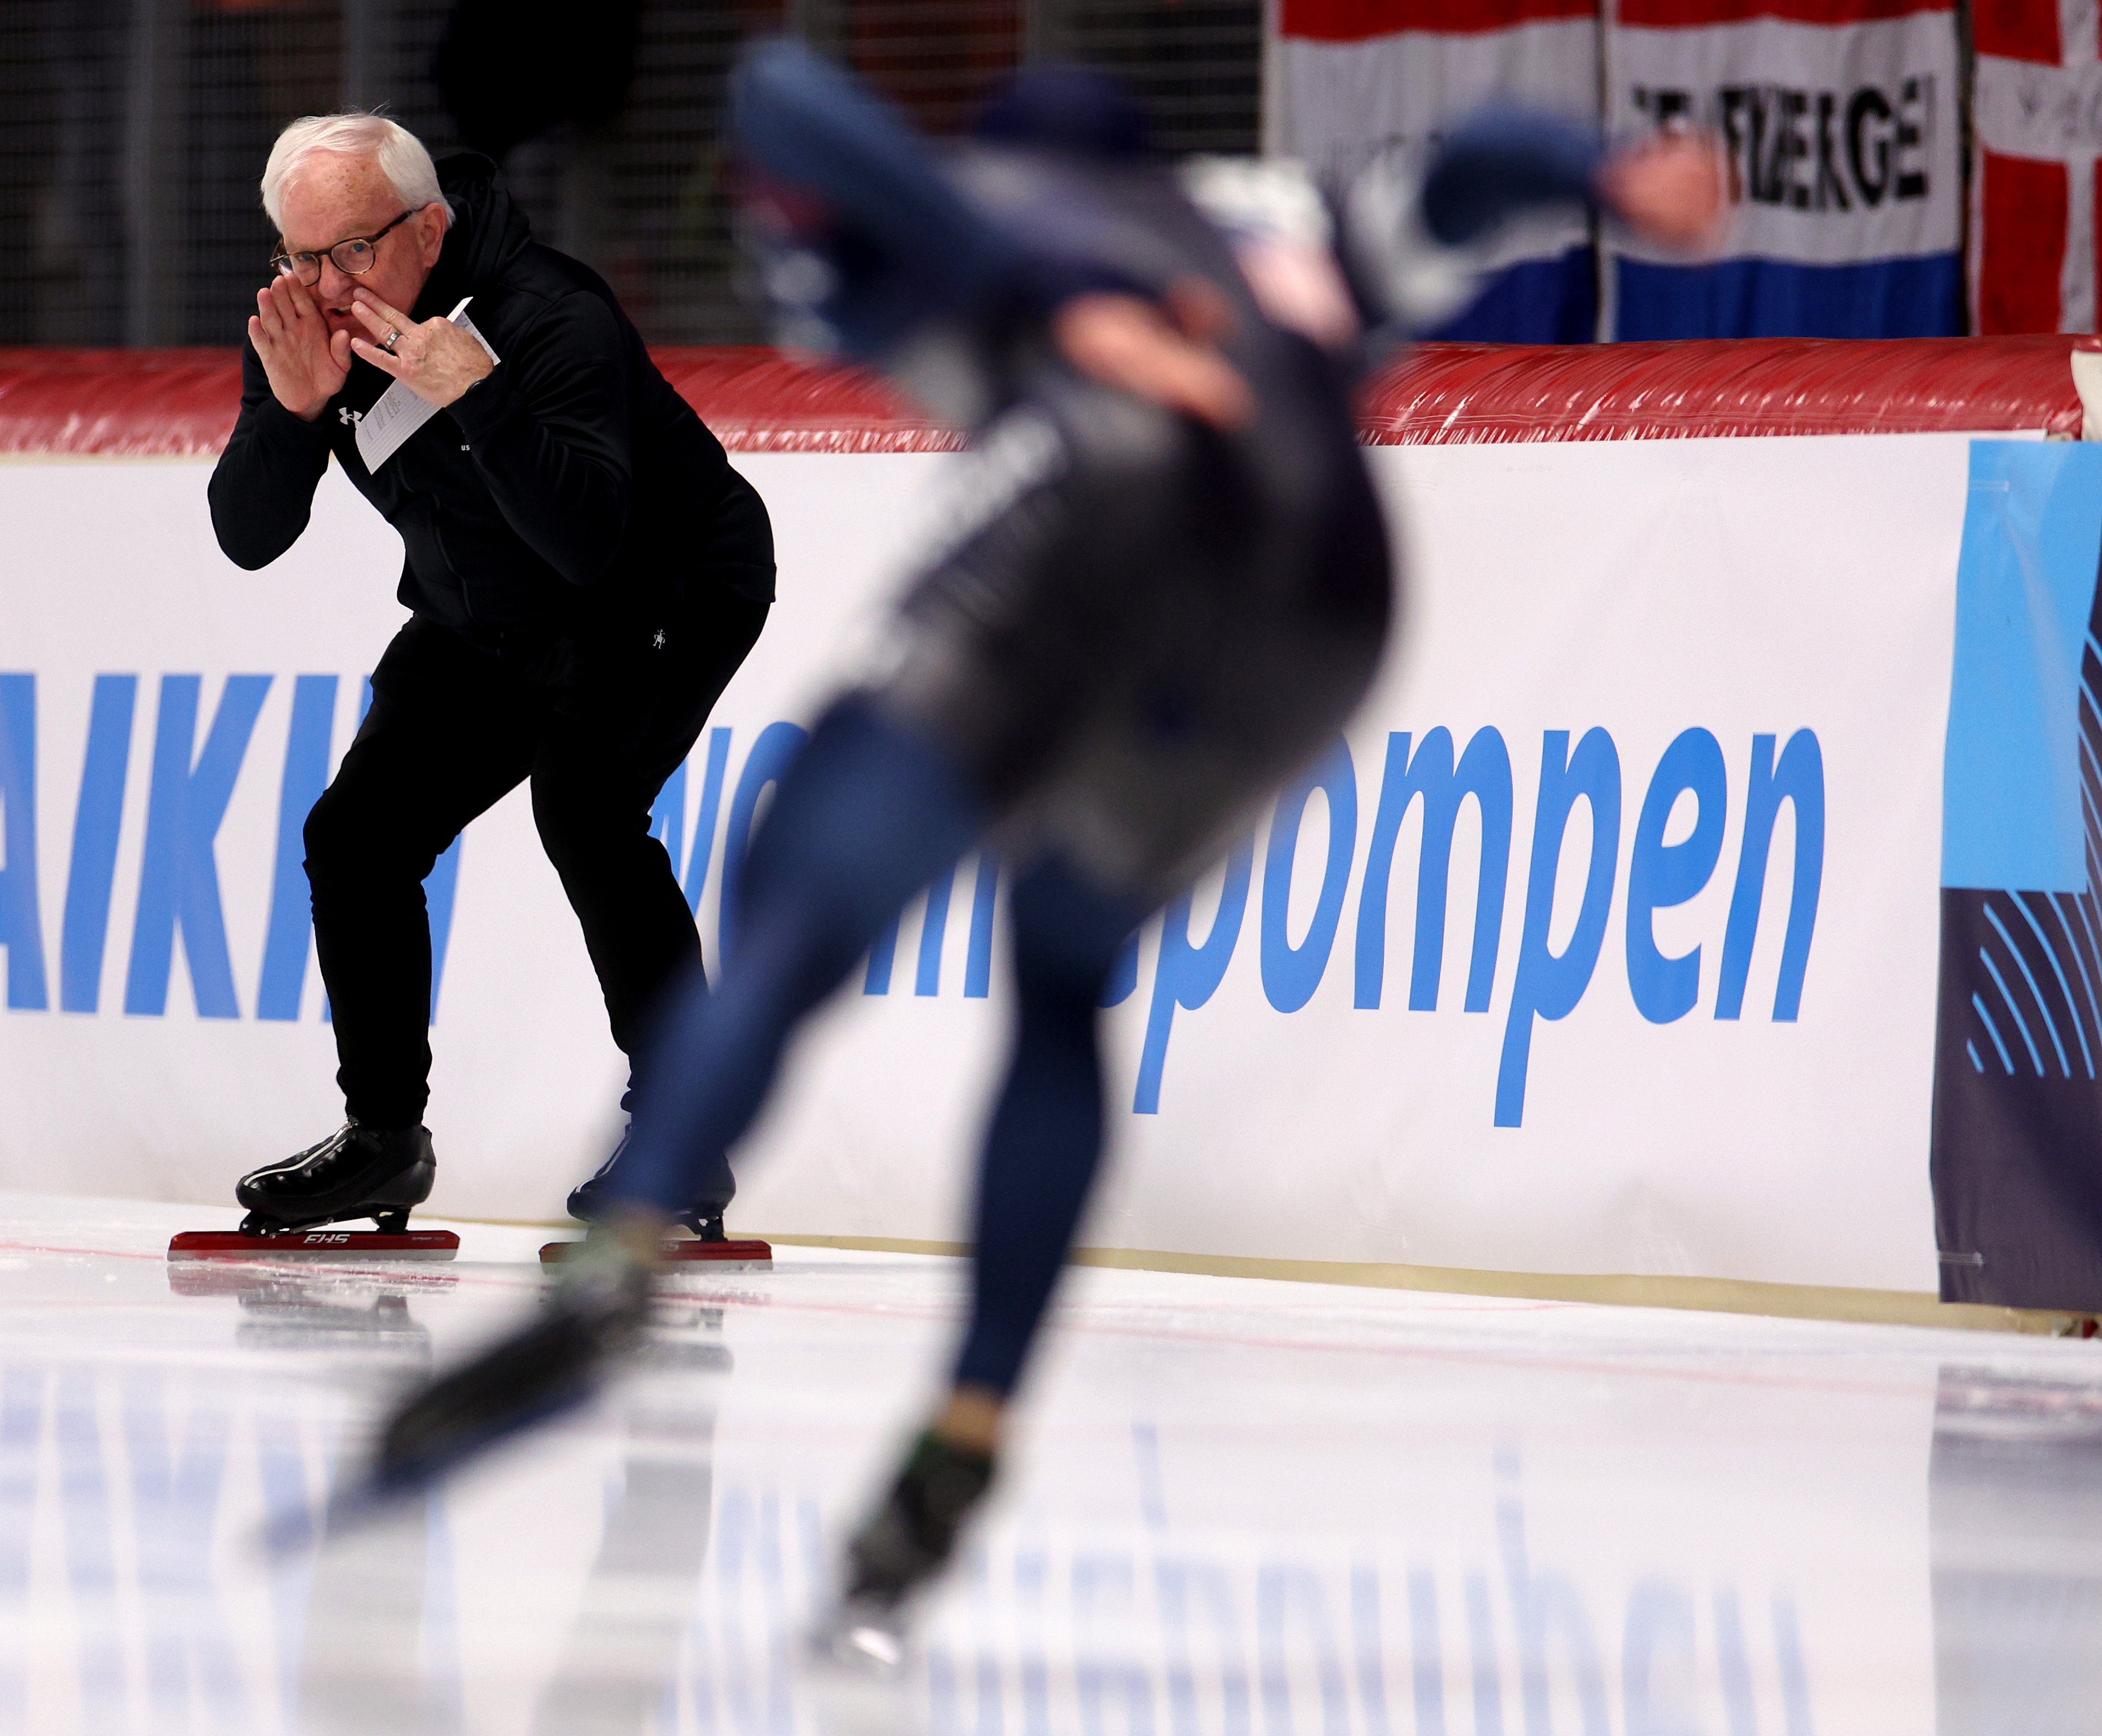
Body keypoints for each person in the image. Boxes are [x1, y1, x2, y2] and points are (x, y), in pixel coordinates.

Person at [351, 49, 1723, 1663]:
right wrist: (1610, 170)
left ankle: (631, 1239)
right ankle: (973, 1425)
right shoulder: (1291, 216)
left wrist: (1024, 296)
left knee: (799, 902)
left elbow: (787, 96)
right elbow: (1469, 173)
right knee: (1065, 975)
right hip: (1326, 592)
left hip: (1096, 497)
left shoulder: (971, 221)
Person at [209, 112, 775, 1242]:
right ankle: (382, 1145)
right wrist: (292, 413)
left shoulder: (551, 316)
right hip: (488, 611)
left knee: (589, 809)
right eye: (299, 256)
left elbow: (587, 540)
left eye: (351, 254)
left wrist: (482, 397)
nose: (323, 286)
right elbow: (247, 535)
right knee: (356, 834)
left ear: (429, 228)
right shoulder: (305, 320)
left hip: (659, 588)